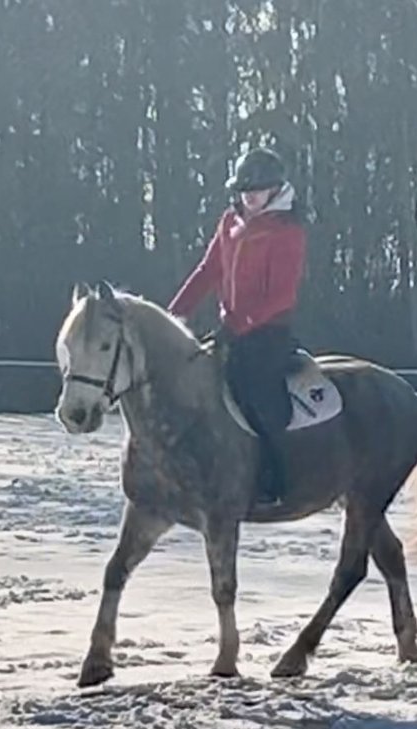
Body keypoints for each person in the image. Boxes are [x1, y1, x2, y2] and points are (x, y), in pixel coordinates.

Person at [167, 146, 307, 507]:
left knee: (254, 391)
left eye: (257, 191)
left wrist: (243, 323)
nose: (250, 197)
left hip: (268, 332)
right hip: (232, 328)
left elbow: (282, 295)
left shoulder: (287, 231)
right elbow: (208, 271)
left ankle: (274, 475)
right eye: (245, 191)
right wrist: (173, 314)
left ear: (275, 190)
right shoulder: (230, 222)